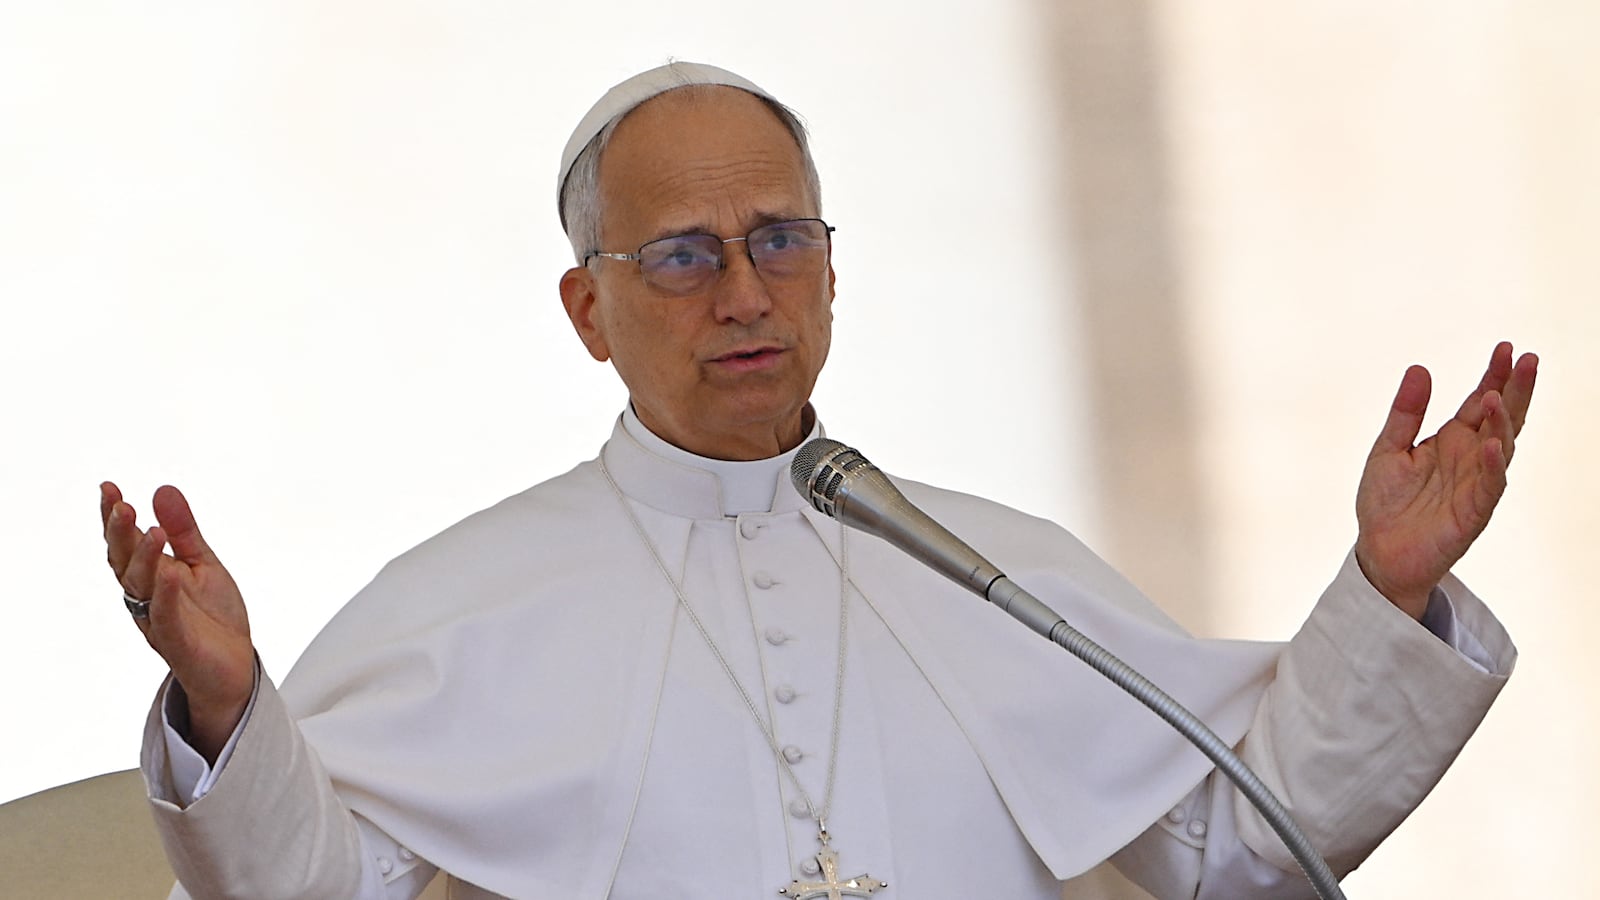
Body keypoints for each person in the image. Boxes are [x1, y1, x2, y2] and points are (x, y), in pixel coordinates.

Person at [100, 62, 1537, 899]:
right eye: (681, 253)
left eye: (780, 238)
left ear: (834, 273)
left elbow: (1242, 845)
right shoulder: (461, 604)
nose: (742, 291)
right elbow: (318, 892)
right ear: (587, 312)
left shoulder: (995, 568)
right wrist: (229, 711)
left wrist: (1385, 599)